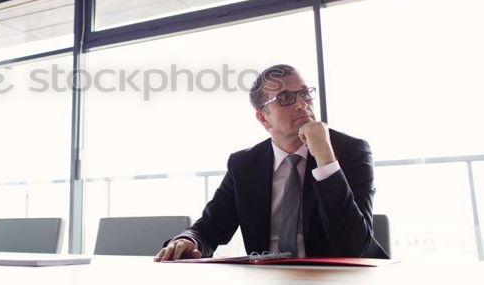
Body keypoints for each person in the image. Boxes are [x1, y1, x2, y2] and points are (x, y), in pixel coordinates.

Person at [154, 64, 387, 261]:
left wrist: (325, 158)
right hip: (267, 284)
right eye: (286, 98)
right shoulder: (244, 164)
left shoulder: (351, 151)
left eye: (305, 93)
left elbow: (355, 248)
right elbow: (209, 228)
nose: (302, 104)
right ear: (263, 117)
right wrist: (187, 240)